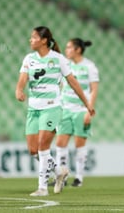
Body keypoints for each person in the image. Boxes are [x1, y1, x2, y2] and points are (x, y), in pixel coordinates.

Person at [15, 26, 95, 197]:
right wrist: (19, 90)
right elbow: (22, 78)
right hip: (34, 108)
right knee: (32, 150)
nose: (30, 40)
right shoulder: (29, 59)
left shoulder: (58, 59)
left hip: (52, 107)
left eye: (34, 37)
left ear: (44, 40)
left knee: (43, 145)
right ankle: (59, 171)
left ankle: (42, 187)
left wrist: (87, 104)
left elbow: (73, 82)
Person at [54, 38, 99, 188]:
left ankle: (79, 177)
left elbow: (93, 90)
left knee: (80, 145)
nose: (66, 50)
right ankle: (63, 175)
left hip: (81, 110)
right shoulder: (65, 65)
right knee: (60, 144)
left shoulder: (89, 67)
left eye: (69, 48)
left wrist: (89, 110)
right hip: (65, 109)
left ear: (78, 50)